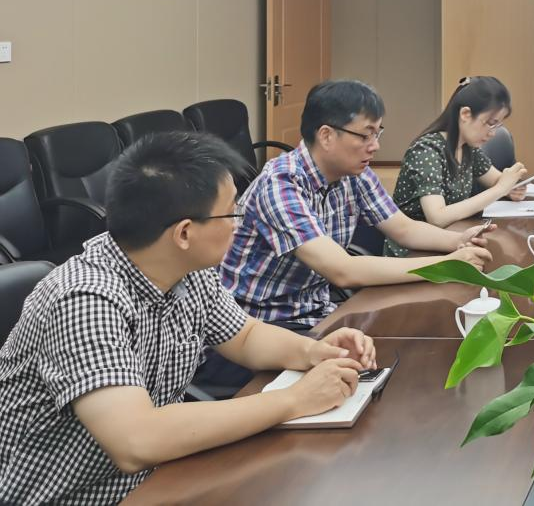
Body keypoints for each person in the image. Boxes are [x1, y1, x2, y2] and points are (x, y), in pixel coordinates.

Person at [0, 132, 375, 505]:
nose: (239, 223)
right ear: (184, 233)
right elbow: (136, 441)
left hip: (157, 476)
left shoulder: (188, 269)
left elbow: (245, 336)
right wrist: (295, 400)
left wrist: (313, 351)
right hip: (78, 495)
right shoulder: (86, 300)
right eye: (232, 212)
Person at [220, 79, 492, 331]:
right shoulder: (281, 184)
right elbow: (342, 270)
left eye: (377, 133)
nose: (375, 146)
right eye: (365, 136)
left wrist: (458, 241)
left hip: (316, 311)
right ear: (327, 136)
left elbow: (403, 228)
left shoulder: (354, 173)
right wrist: (445, 265)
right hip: (260, 324)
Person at [386, 75, 529, 256]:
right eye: (491, 124)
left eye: (497, 125)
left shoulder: (468, 148)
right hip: (414, 250)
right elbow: (437, 217)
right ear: (465, 114)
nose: (493, 133)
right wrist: (501, 189)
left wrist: (512, 187)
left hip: (454, 240)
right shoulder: (427, 150)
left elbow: (497, 181)